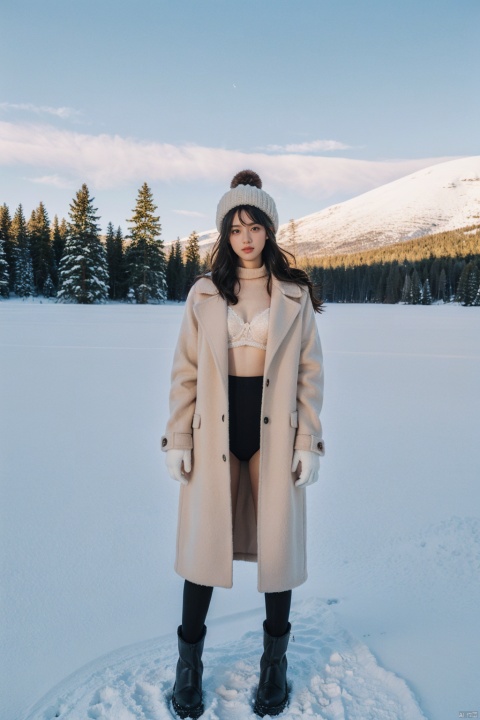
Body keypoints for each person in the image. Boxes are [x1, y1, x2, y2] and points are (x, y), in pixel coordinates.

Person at [160, 169, 325, 718]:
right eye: (235, 229)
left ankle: (273, 665)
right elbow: (185, 372)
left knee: (277, 550)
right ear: (224, 236)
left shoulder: (294, 293)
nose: (246, 237)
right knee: (202, 550)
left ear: (270, 231)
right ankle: (189, 668)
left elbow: (308, 374)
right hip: (216, 435)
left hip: (274, 435)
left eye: (255, 226)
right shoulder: (204, 294)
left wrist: (309, 441)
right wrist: (178, 435)